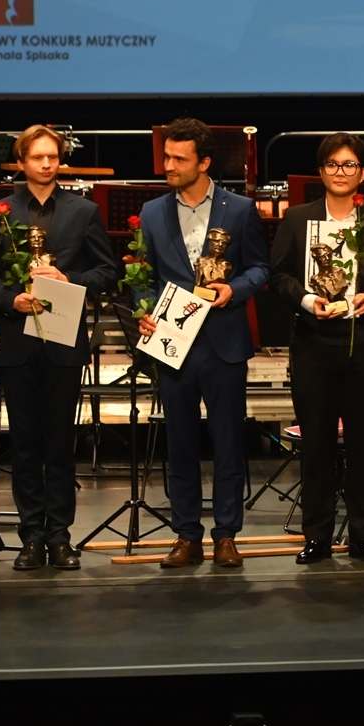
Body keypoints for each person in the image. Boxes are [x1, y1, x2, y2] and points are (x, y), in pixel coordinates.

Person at [0, 125, 116, 570]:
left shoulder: (84, 211)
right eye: (37, 157)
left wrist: (68, 279)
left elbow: (107, 272)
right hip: (17, 340)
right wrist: (10, 299)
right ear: (21, 162)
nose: (46, 164)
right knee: (24, 446)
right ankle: (31, 537)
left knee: (59, 444)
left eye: (52, 156)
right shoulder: (1, 212)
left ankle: (59, 537)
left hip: (63, 340)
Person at [270, 133, 364, 565]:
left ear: (363, 173)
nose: (340, 172)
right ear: (321, 171)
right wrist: (307, 300)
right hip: (313, 344)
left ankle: (363, 535)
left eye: (349, 165)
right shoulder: (298, 219)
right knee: (316, 445)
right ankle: (317, 535)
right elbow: (279, 276)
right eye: (332, 164)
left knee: (363, 445)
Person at [137, 119, 270, 569]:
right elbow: (142, 276)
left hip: (223, 341)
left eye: (179, 159)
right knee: (180, 444)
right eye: (167, 157)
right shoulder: (152, 212)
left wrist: (236, 289)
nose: (169, 166)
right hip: (172, 342)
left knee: (229, 442)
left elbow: (259, 268)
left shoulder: (240, 209)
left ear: (205, 162)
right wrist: (142, 310)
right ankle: (186, 535)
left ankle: (226, 535)